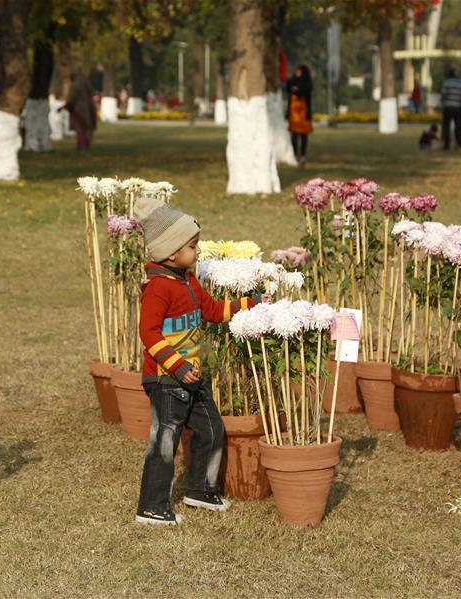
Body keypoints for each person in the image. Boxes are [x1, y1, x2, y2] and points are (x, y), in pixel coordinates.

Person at [133, 194, 264, 525]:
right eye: (192, 246)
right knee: (165, 440)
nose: (198, 251)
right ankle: (152, 506)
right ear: (170, 252)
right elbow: (148, 333)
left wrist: (249, 304)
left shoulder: (187, 281)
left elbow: (212, 311)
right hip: (166, 379)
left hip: (193, 375)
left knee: (212, 429)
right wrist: (177, 366)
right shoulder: (158, 288)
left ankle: (201, 490)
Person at [60, 70, 97, 151]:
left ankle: (82, 145)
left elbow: (72, 100)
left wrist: (63, 107)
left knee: (80, 129)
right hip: (89, 109)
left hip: (78, 110)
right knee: (86, 128)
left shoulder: (75, 85)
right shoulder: (86, 84)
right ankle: (86, 145)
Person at [286, 65, 313, 165]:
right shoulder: (292, 81)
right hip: (293, 113)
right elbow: (289, 87)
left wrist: (298, 89)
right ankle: (295, 154)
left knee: (304, 135)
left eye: (299, 71)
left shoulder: (307, 83)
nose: (297, 73)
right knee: (294, 135)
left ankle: (303, 155)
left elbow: (305, 90)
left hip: (303, 112)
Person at [440, 68, 461, 150]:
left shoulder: (447, 83)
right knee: (458, 126)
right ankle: (459, 144)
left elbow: (443, 95)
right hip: (458, 107)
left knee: (446, 126)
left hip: (448, 107)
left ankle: (446, 145)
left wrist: (443, 102)